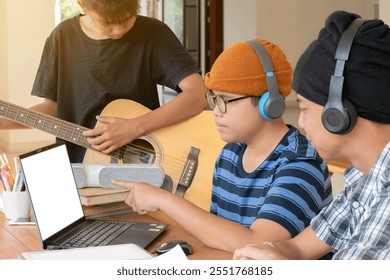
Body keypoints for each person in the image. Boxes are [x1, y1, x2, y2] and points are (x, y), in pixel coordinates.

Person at [112, 38, 333, 253]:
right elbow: (217, 237)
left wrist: (162, 198)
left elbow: (258, 245)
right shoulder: (230, 154)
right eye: (213, 99)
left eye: (225, 100)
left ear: (269, 103)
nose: (216, 111)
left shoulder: (302, 162)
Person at [233, 10, 390, 260]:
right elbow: (297, 247)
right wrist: (269, 252)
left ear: (338, 113)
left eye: (304, 108)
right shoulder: (364, 178)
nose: (301, 123)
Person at [0, 0, 208, 163]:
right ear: (82, 4)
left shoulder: (154, 33)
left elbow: (198, 94)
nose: (118, 30)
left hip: (144, 164)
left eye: (127, 19)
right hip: (79, 167)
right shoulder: (61, 37)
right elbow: (53, 108)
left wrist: (135, 127)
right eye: (107, 22)